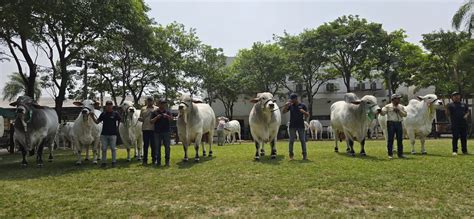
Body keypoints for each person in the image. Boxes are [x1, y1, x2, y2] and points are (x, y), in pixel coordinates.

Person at [91, 100, 121, 167]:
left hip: (113, 134)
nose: (109, 106)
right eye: (108, 105)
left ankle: (114, 162)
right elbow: (97, 122)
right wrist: (92, 116)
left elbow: (120, 120)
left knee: (113, 148)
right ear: (106, 106)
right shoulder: (103, 114)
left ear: (112, 106)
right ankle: (103, 162)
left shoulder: (115, 113)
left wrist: (118, 127)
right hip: (104, 134)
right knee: (104, 149)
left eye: (110, 105)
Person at [282, 93, 309, 160]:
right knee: (291, 141)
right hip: (292, 126)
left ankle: (304, 155)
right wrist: (286, 106)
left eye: (292, 99)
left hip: (301, 126)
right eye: (291, 99)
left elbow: (307, 115)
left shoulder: (302, 105)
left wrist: (304, 112)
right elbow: (283, 112)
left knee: (302, 140)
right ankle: (291, 155)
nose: (291, 101)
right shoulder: (290, 106)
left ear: (296, 99)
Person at [380, 94, 407, 159]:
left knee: (400, 139)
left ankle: (400, 154)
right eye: (397, 98)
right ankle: (390, 154)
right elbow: (383, 113)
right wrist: (379, 111)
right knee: (390, 139)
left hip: (399, 123)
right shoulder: (387, 106)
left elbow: (405, 114)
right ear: (393, 100)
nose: (399, 100)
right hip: (391, 123)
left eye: (399, 98)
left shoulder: (401, 106)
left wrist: (399, 111)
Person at [151, 98, 173, 167]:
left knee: (167, 147)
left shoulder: (168, 111)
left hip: (166, 131)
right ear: (159, 104)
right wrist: (157, 117)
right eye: (162, 103)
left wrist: (167, 116)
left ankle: (167, 161)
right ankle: (158, 161)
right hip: (157, 132)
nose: (163, 105)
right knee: (157, 147)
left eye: (164, 103)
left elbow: (172, 119)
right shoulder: (155, 112)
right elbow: (151, 121)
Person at [446, 91, 470, 156]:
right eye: (455, 95)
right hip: (455, 124)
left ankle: (464, 151)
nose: (456, 96)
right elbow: (447, 114)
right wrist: (446, 108)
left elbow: (467, 111)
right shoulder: (450, 105)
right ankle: (454, 151)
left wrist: (466, 115)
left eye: (457, 95)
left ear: (460, 96)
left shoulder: (464, 104)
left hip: (463, 124)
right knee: (455, 137)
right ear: (452, 97)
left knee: (464, 138)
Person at [138, 96, 158, 165]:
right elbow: (141, 117)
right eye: (148, 101)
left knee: (153, 145)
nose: (149, 102)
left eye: (151, 100)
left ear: (153, 101)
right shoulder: (143, 109)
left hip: (153, 129)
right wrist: (140, 119)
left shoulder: (156, 109)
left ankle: (154, 159)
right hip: (145, 129)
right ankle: (145, 160)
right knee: (145, 145)